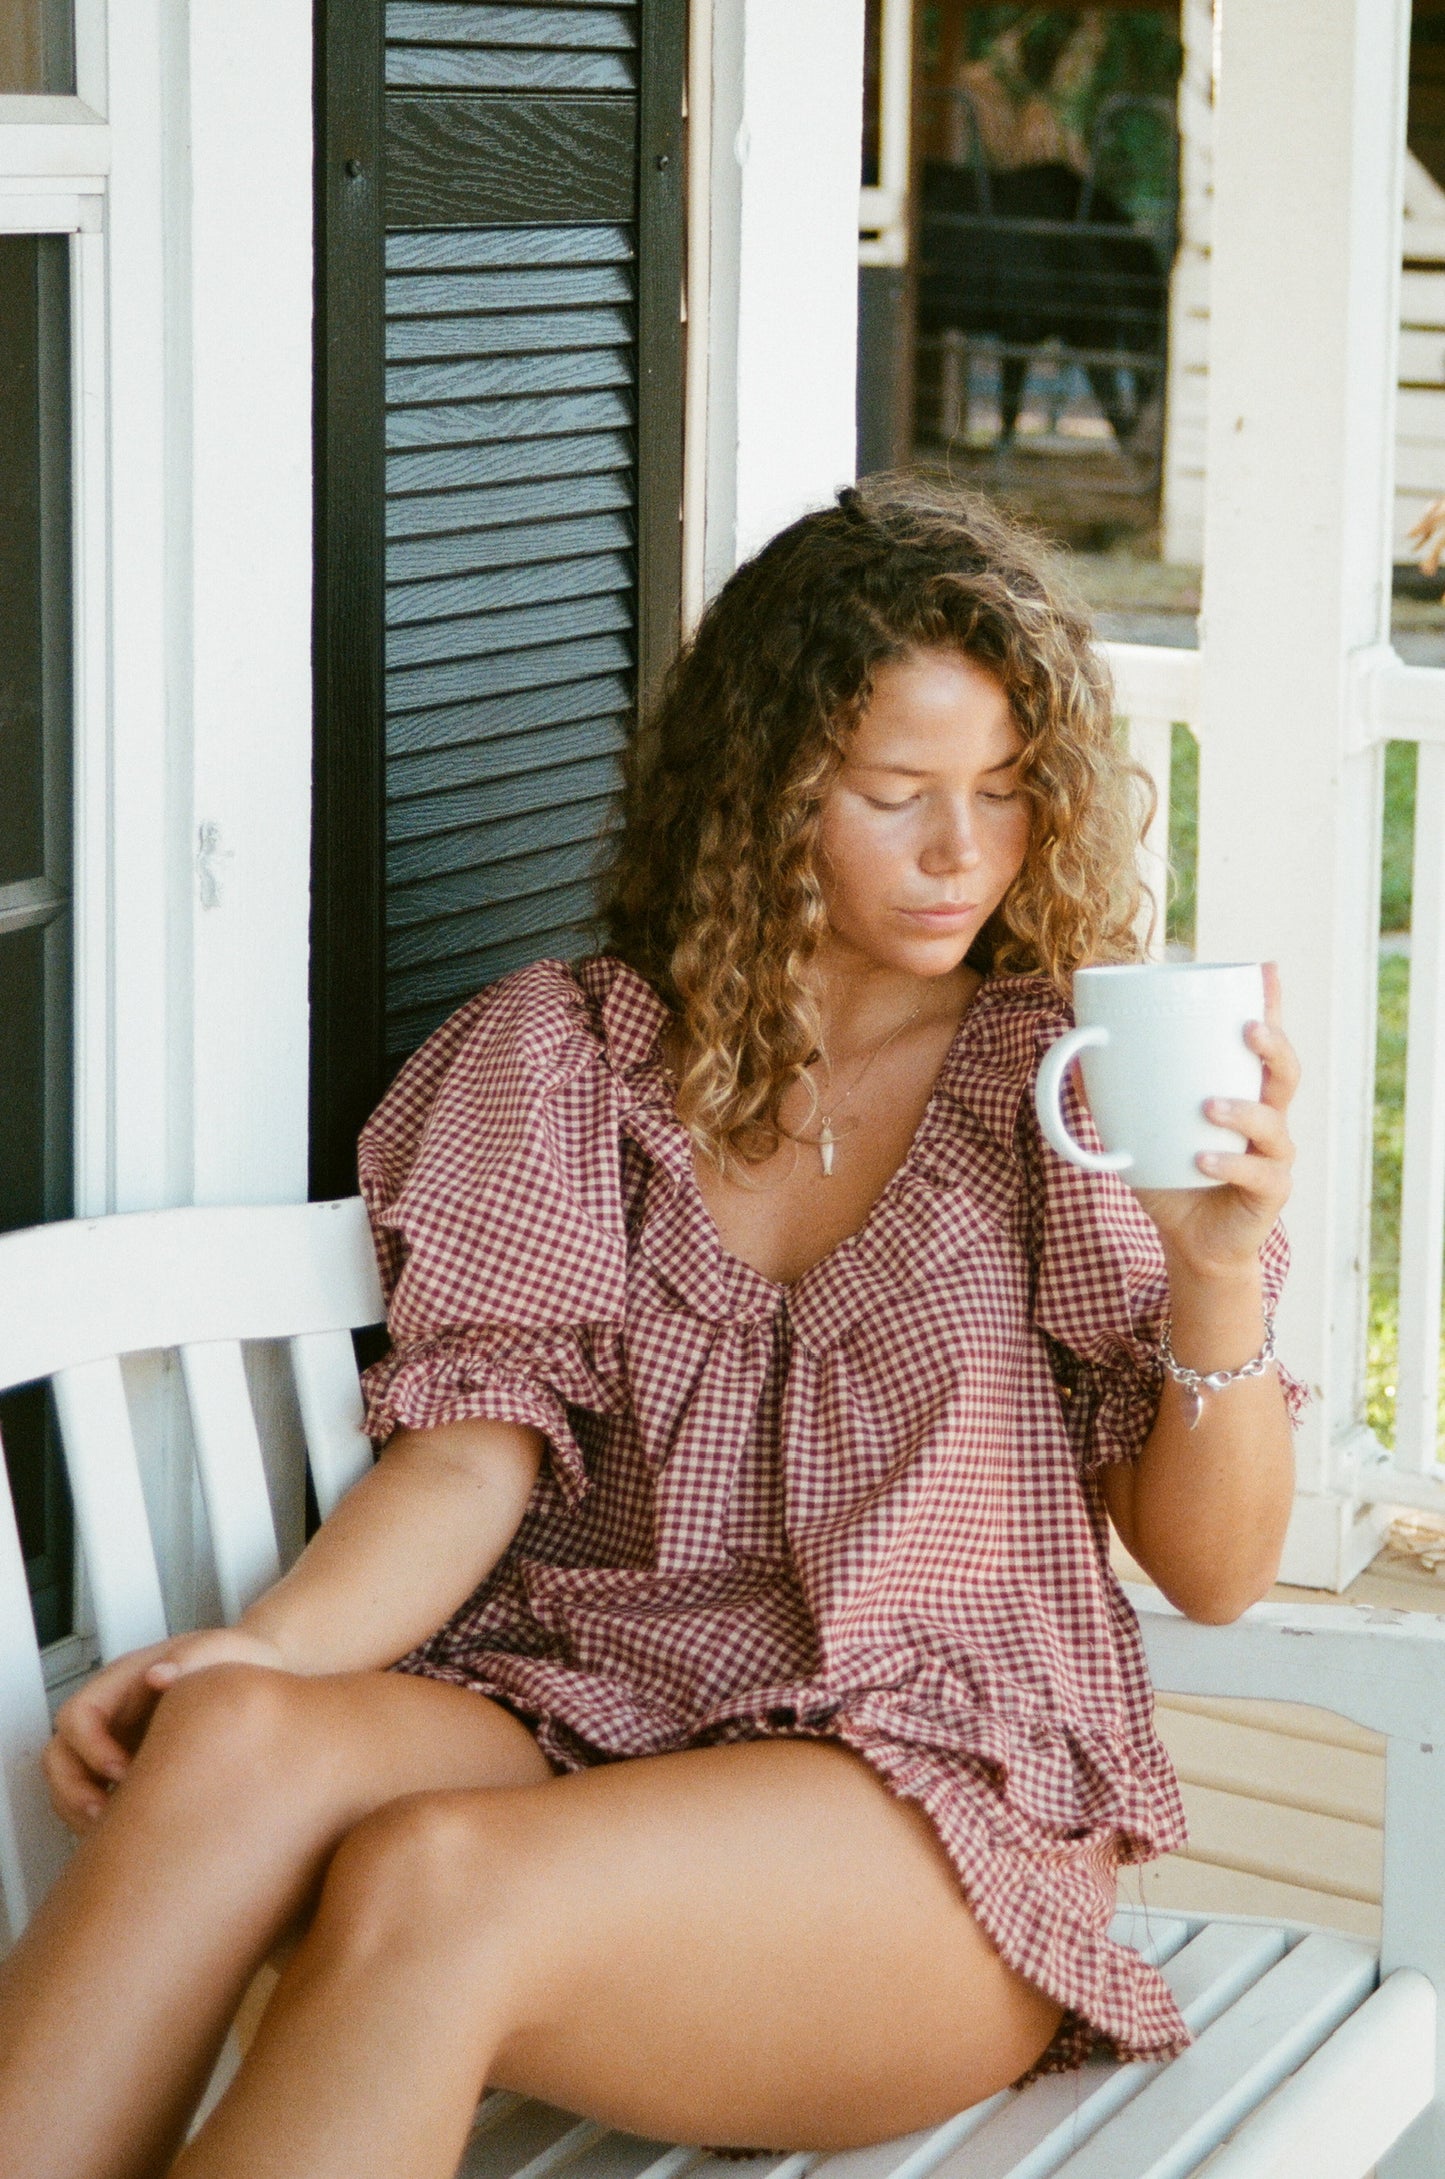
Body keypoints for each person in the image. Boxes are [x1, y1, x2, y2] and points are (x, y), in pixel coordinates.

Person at [0, 478, 1304, 2179]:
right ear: (762, 794)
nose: (959, 856)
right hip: (582, 1706)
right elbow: (470, 1464)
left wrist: (1214, 1269)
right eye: (892, 795)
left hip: (915, 1801)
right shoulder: (567, 1062)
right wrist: (267, 1654)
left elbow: (1210, 1576)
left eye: (1002, 794)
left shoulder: (1062, 1087)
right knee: (234, 1737)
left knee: (433, 1878)